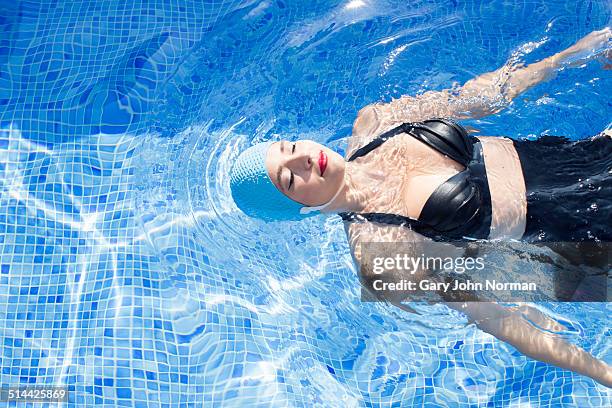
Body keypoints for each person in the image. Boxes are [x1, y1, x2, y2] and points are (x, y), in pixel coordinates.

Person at [229, 28, 612, 387]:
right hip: (588, 224)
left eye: (292, 148)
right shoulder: (380, 252)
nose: (305, 160)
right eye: (290, 179)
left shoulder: (377, 121)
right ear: (299, 208)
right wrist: (604, 373)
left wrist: (580, 51)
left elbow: (494, 92)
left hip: (589, 154)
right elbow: (500, 318)